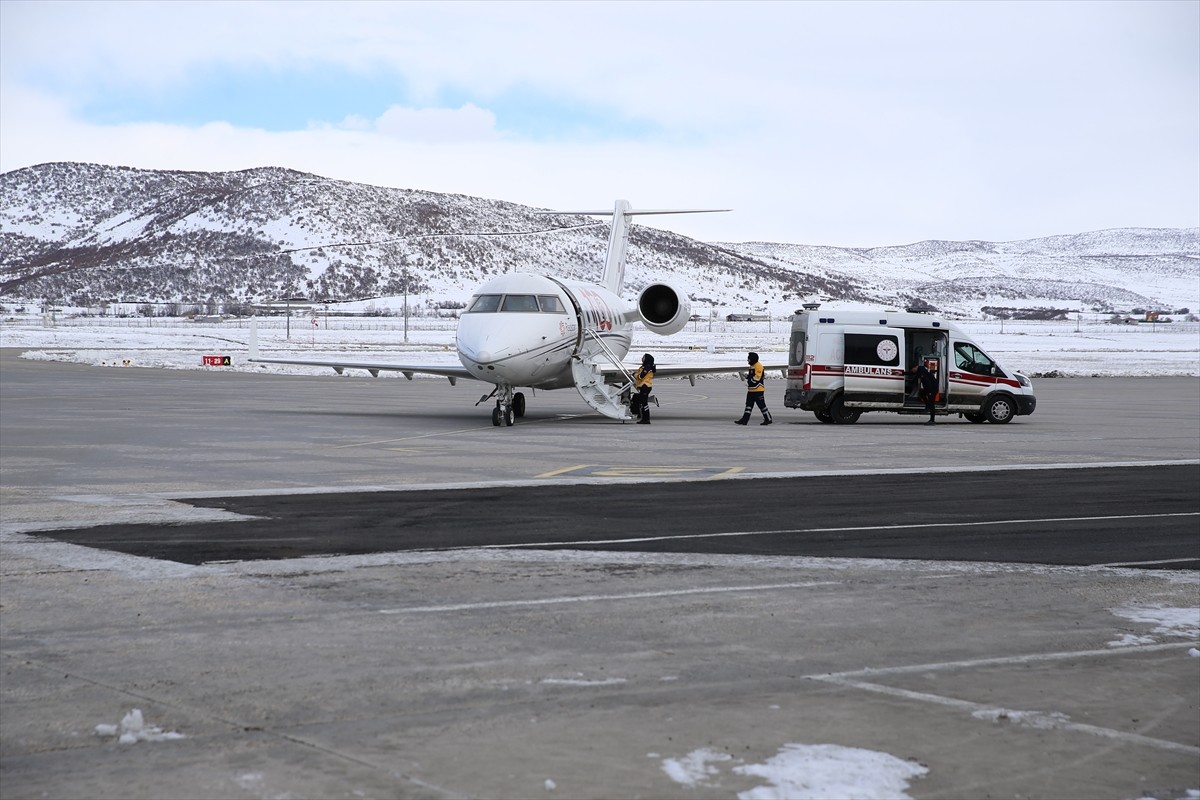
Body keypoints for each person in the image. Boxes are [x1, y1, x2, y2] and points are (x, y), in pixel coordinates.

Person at [735, 351, 773, 426]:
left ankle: (768, 418)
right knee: (748, 405)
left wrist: (750, 382)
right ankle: (744, 420)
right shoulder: (752, 366)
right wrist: (747, 377)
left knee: (762, 405)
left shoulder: (758, 366)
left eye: (748, 359)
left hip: (758, 390)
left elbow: (757, 377)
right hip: (751, 390)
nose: (747, 360)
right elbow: (752, 375)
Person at [630, 353, 655, 424]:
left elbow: (640, 376)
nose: (642, 359)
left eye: (643, 358)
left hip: (645, 386)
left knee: (644, 403)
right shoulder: (644, 367)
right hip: (643, 387)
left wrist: (634, 374)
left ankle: (646, 419)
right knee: (640, 401)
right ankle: (642, 416)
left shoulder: (647, 368)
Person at [913, 359, 939, 424]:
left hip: (932, 388)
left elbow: (928, 382)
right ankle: (927, 405)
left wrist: (929, 392)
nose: (912, 371)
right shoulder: (920, 370)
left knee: (931, 403)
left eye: (912, 369)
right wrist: (902, 373)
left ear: (916, 367)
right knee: (922, 393)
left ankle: (932, 420)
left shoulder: (922, 372)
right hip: (930, 387)